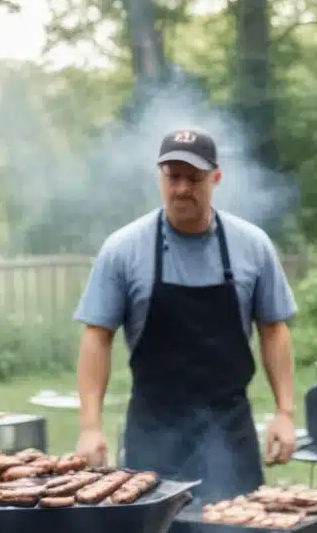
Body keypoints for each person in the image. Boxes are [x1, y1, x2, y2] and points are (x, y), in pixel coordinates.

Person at [73, 127, 298, 502]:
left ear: (216, 178)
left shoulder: (252, 246)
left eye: (193, 178)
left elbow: (274, 330)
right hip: (154, 434)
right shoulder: (123, 249)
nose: (181, 188)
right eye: (172, 176)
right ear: (160, 178)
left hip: (230, 433)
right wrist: (90, 426)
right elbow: (98, 337)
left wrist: (285, 413)